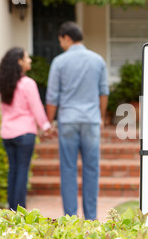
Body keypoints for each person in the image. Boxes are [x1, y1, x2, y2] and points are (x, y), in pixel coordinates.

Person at [46, 21, 109, 220]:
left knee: (68, 170)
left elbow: (52, 96)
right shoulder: (98, 60)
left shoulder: (59, 62)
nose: (61, 45)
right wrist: (100, 116)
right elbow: (104, 92)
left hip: (68, 120)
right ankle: (91, 219)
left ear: (66, 37)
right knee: (92, 169)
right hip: (91, 120)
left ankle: (71, 220)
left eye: (61, 41)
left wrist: (49, 122)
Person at [0, 47, 54, 211]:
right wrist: (46, 126)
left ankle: (12, 210)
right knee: (22, 170)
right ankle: (20, 212)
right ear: (19, 62)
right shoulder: (28, 83)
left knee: (13, 170)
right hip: (24, 134)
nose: (30, 61)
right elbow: (36, 107)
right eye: (27, 58)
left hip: (7, 133)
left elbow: (4, 110)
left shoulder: (4, 83)